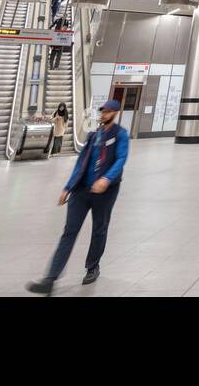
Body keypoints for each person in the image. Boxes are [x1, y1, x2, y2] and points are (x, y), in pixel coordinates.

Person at [26, 99, 129, 295]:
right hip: (81, 190)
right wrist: (68, 187)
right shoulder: (93, 136)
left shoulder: (120, 135)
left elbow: (121, 158)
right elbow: (81, 162)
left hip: (105, 192)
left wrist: (106, 179)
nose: (103, 114)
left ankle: (92, 266)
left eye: (108, 111)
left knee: (99, 229)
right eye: (102, 111)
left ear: (115, 113)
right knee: (69, 232)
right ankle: (51, 278)